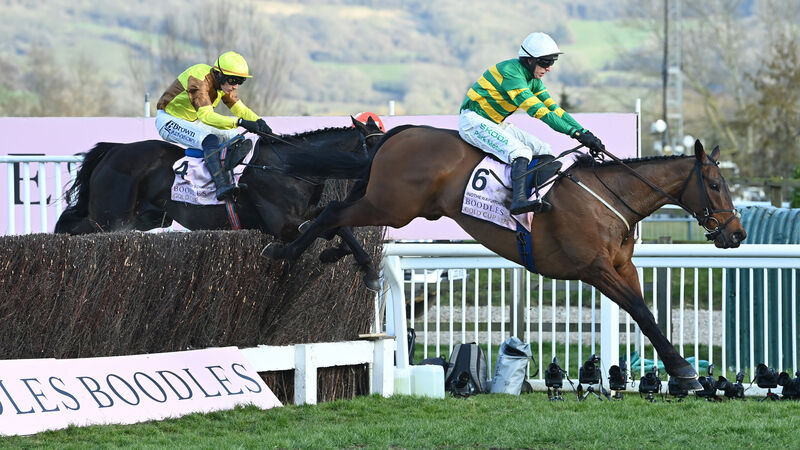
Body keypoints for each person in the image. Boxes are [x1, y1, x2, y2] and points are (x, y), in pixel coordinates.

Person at [458, 32, 605, 215]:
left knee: (544, 149)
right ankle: (517, 201)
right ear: (529, 60)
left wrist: (585, 132)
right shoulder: (511, 73)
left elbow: (555, 110)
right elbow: (540, 112)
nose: (549, 68)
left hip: (495, 123)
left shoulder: (534, 80)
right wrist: (575, 134)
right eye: (545, 62)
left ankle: (533, 195)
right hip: (473, 121)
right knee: (521, 152)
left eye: (552, 62)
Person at [156, 51, 272, 200]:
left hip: (193, 121)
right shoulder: (198, 78)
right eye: (233, 80)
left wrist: (259, 122)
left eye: (240, 81)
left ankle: (231, 176)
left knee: (235, 137)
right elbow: (206, 116)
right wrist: (239, 122)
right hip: (169, 120)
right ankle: (221, 185)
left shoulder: (223, 84)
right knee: (209, 139)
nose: (235, 86)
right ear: (219, 74)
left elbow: (239, 109)